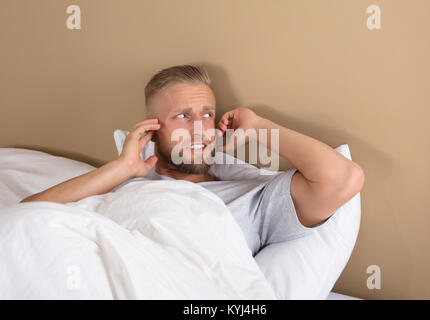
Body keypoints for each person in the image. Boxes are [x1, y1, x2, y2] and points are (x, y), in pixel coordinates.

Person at [21, 64, 364, 256]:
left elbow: (343, 179)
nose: (201, 128)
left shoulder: (253, 198)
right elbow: (25, 216)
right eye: (183, 116)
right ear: (152, 132)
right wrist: (120, 169)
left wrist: (259, 126)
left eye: (207, 114)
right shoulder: (126, 184)